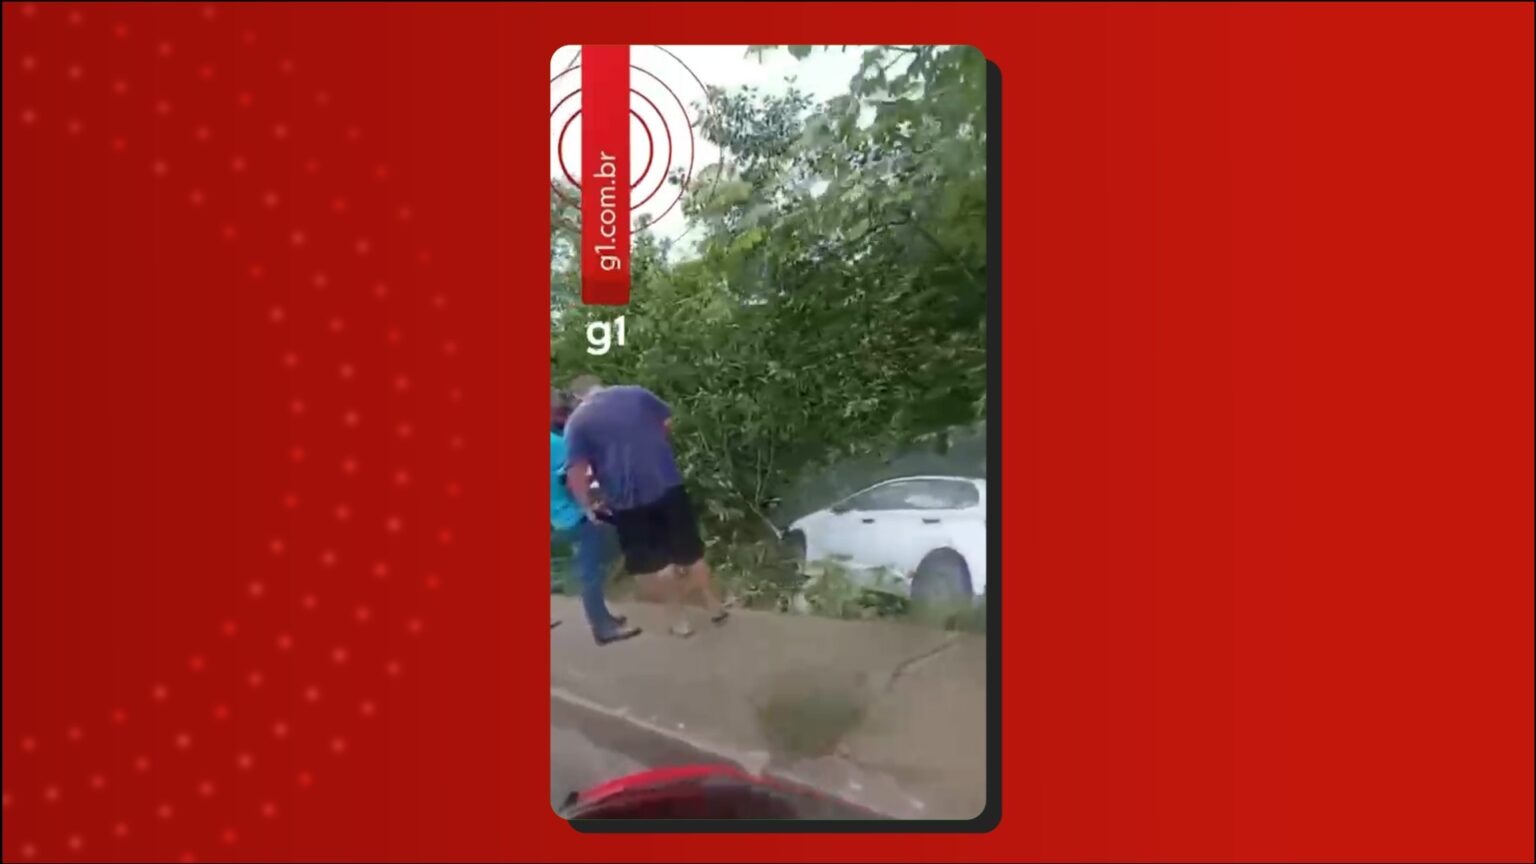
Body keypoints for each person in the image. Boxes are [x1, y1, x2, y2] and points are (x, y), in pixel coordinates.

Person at [562, 376, 728, 638]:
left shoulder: (578, 421)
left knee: (658, 565)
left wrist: (586, 506)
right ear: (600, 385)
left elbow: (577, 470)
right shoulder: (637, 394)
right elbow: (666, 422)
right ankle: (714, 605)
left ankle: (679, 620)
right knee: (691, 552)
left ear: (576, 397)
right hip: (667, 484)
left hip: (627, 501)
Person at [551, 388, 640, 645]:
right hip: (574, 515)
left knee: (590, 567)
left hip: (557, 515)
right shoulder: (557, 444)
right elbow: (570, 480)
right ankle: (602, 628)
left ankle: (604, 618)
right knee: (590, 571)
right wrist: (592, 503)